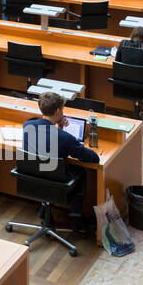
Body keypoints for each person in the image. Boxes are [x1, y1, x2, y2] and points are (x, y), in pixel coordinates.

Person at [21, 92, 99, 224]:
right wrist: (61, 130)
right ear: (58, 111)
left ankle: (44, 210)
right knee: (80, 171)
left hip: (31, 180)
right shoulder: (65, 138)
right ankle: (75, 217)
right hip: (55, 184)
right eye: (63, 109)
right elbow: (93, 158)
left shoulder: (27, 127)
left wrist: (60, 127)